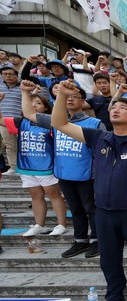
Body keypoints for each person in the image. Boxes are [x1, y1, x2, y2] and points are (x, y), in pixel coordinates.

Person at [51, 80, 127, 301]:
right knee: (109, 260)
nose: (115, 110)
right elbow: (59, 123)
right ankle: (115, 298)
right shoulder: (98, 137)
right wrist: (62, 95)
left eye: (122, 108)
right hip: (104, 212)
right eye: (113, 108)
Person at [21, 80, 104, 258]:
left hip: (87, 175)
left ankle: (98, 241)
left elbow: (102, 152)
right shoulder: (55, 120)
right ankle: (80, 241)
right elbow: (28, 113)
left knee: (92, 209)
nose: (71, 100)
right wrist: (26, 93)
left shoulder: (95, 123)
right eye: (67, 97)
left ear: (83, 101)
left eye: (76, 97)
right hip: (64, 174)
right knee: (75, 209)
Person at [0, 93, 67, 237]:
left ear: (46, 108)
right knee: (36, 195)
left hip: (46, 166)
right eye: (31, 103)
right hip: (26, 166)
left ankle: (61, 224)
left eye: (38, 103)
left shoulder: (51, 122)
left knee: (54, 194)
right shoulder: (20, 121)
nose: (34, 106)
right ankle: (39, 225)